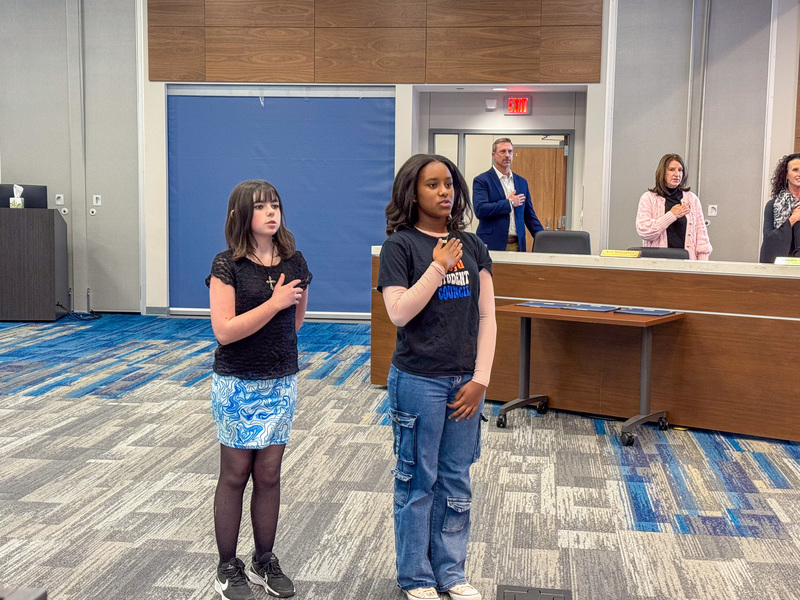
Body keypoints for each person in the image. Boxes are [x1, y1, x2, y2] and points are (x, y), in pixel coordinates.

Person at [378, 154, 497, 600]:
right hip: (418, 381)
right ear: (412, 193)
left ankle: (451, 571)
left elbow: (488, 316)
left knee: (455, 480)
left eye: (448, 183)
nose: (444, 191)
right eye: (433, 185)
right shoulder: (401, 246)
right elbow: (399, 312)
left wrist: (481, 378)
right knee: (416, 480)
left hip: (466, 382)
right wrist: (438, 265)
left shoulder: (474, 244)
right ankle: (416, 577)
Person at [206, 179, 311, 600]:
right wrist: (274, 303)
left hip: (281, 380)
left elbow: (296, 323)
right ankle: (227, 567)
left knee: (269, 474)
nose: (272, 213)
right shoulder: (226, 265)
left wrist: (282, 307)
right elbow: (225, 332)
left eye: (276, 206)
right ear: (240, 215)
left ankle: (264, 559)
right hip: (235, 383)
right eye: (261, 207)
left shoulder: (296, 262)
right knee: (236, 474)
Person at [635, 153, 712, 260]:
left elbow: (702, 239)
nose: (677, 174)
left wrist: (701, 269)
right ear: (662, 172)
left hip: (687, 264)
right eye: (672, 169)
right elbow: (645, 232)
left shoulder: (692, 199)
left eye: (680, 170)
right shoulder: (648, 198)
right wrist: (672, 215)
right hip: (656, 264)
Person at [473, 138, 543, 251]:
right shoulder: (482, 180)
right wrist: (509, 203)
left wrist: (544, 237)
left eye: (510, 151)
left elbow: (529, 215)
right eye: (503, 151)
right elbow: (480, 210)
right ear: (493, 155)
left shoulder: (521, 182)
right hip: (491, 244)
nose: (507, 155)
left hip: (517, 244)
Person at [759, 153, 800, 263]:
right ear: (786, 175)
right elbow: (768, 240)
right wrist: (792, 219)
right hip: (780, 264)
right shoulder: (772, 205)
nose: (799, 174)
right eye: (795, 170)